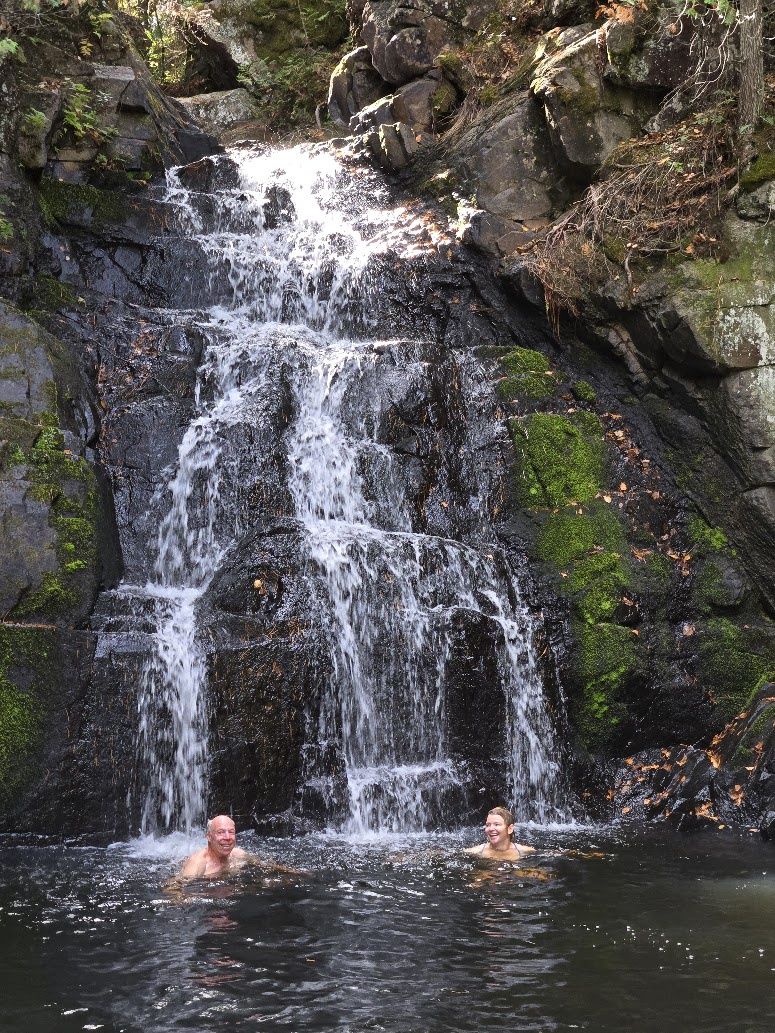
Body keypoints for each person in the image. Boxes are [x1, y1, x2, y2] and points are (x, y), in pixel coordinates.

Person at [178, 814, 249, 880]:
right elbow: (176, 889)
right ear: (209, 837)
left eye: (231, 832)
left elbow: (258, 863)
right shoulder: (199, 864)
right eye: (220, 832)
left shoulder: (238, 854)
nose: (227, 837)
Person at [464, 806, 537, 862]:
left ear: (510, 829)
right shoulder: (474, 852)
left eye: (496, 824)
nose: (491, 829)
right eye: (488, 825)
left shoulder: (527, 851)